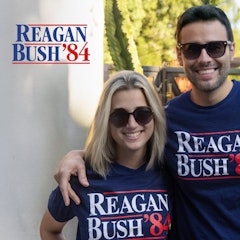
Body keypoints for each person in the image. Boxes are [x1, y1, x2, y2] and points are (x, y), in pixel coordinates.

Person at [54, 5, 240, 239]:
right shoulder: (163, 118)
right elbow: (126, 140)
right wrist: (78, 155)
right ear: (180, 54)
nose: (204, 58)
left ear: (231, 50)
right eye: (192, 49)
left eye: (215, 47)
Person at [40, 70, 172, 239]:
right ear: (106, 121)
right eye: (119, 116)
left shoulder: (170, 172)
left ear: (155, 117)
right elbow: (49, 230)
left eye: (142, 114)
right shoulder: (81, 176)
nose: (132, 124)